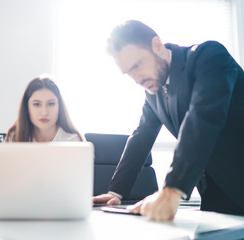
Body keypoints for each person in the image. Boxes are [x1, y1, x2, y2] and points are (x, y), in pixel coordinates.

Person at [93, 20, 244, 221]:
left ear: (157, 46)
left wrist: (173, 188)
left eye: (137, 65)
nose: (136, 78)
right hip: (218, 198)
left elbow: (203, 117)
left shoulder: (209, 56)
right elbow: (142, 136)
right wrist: (116, 192)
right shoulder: (154, 93)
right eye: (129, 72)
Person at [6, 75, 83, 142]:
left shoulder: (72, 141)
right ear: (26, 108)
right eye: (36, 104)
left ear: (59, 107)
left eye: (51, 104)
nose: (44, 112)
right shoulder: (15, 138)